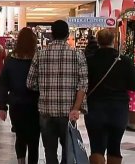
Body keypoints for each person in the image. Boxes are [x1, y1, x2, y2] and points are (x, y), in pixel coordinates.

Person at [26, 20, 88, 164]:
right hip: (69, 112)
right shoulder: (78, 55)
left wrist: (44, 88)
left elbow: (30, 83)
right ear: (67, 35)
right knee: (69, 150)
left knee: (49, 150)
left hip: (46, 111)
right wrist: (76, 108)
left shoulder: (39, 55)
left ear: (52, 35)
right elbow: (83, 84)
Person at [85, 29, 135, 164]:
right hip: (118, 109)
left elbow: (83, 84)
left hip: (95, 108)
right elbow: (134, 86)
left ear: (97, 41)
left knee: (96, 147)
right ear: (114, 41)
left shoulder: (89, 60)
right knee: (114, 147)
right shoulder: (125, 61)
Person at [0, 27, 40, 164]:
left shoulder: (11, 58)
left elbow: (3, 83)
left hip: (16, 103)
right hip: (35, 103)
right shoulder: (37, 57)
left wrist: (2, 106)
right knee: (34, 139)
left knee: (20, 136)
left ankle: (21, 161)